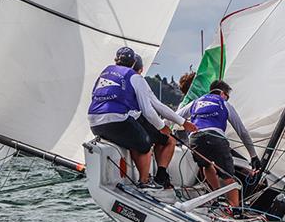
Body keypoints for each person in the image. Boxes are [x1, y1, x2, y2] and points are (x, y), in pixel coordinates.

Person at [88, 46, 193, 189]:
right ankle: (144, 182)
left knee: (136, 139)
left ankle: (147, 178)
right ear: (133, 64)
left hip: (94, 123)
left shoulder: (105, 73)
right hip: (118, 121)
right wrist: (163, 127)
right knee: (145, 144)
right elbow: (149, 110)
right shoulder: (135, 77)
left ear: (115, 61)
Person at [177, 80, 261, 209]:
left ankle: (215, 198)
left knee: (206, 165)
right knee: (228, 177)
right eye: (227, 96)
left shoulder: (196, 102)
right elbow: (242, 131)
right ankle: (235, 209)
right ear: (223, 93)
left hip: (195, 138)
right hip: (216, 138)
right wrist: (253, 156)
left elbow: (175, 116)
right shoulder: (224, 104)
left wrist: (163, 127)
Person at [131, 54, 197, 187]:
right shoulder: (137, 79)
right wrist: (163, 126)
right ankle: (152, 178)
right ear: (141, 69)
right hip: (137, 121)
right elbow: (152, 109)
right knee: (167, 141)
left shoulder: (119, 80)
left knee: (147, 141)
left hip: (113, 122)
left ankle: (150, 177)